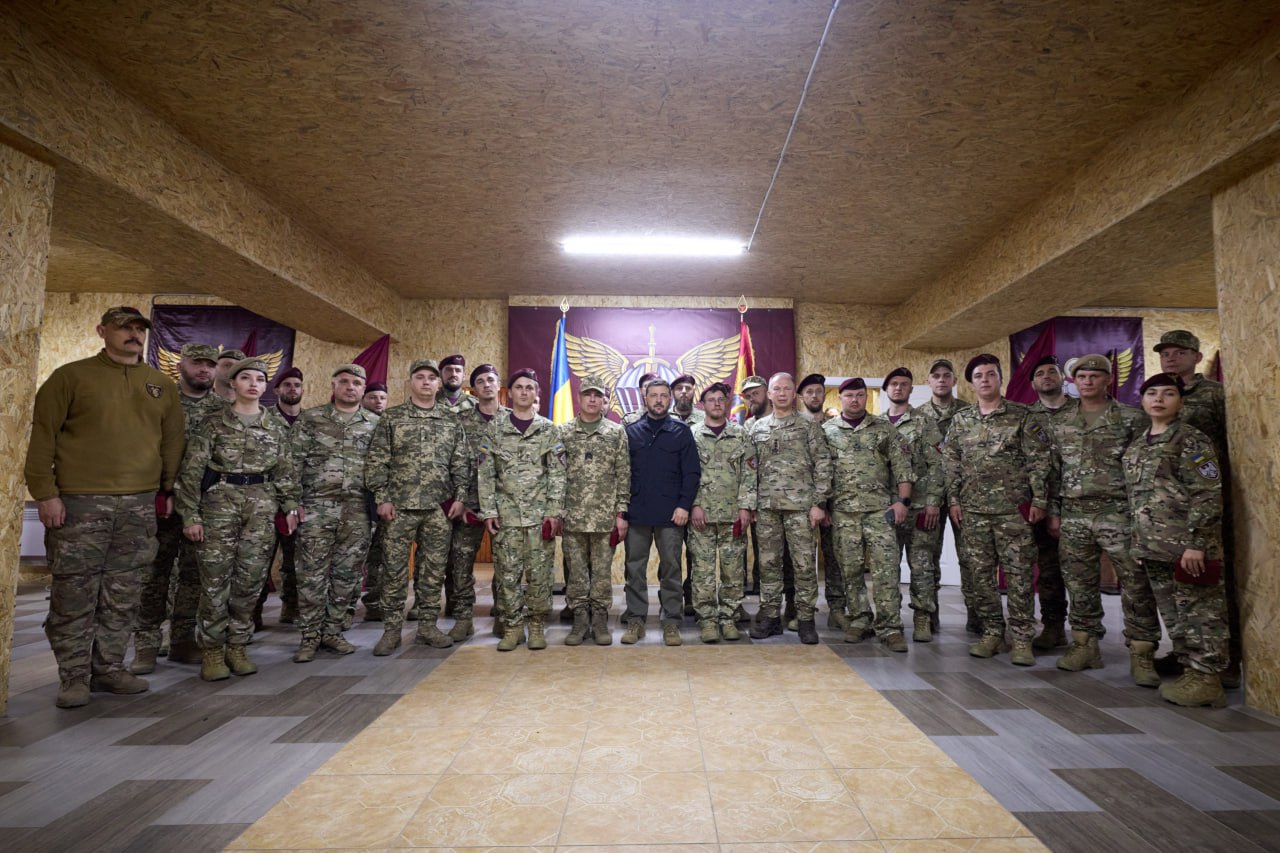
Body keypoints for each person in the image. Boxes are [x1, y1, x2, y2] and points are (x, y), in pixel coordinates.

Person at [25, 306, 185, 708]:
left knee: (124, 592)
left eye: (138, 328)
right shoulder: (70, 377)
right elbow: (42, 436)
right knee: (74, 592)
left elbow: (172, 440)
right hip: (80, 502)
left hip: (139, 504)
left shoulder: (160, 384)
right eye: (123, 328)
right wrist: (45, 493)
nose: (133, 334)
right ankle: (73, 676)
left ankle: (110, 668)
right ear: (102, 331)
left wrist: (167, 488)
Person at [176, 357, 299, 681]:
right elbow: (192, 472)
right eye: (246, 378)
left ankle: (238, 646)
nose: (253, 384)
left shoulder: (275, 426)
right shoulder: (213, 423)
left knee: (250, 582)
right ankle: (212, 651)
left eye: (259, 379)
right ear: (232, 383)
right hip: (219, 506)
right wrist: (190, 515)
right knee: (215, 582)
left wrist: (289, 507)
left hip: (260, 508)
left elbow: (285, 471)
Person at [1123, 372, 1227, 707]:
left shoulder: (1191, 440)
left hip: (1188, 547)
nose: (1158, 399)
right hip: (1154, 547)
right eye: (1151, 393)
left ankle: (1207, 678)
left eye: (1168, 393)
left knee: (1200, 612)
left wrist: (1197, 542)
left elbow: (1207, 492)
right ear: (1142, 400)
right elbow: (1137, 498)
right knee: (1174, 614)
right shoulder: (1138, 445)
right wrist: (1139, 542)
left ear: (1180, 402)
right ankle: (1188, 669)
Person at [1046, 355, 1151, 679]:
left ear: (1108, 380)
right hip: (1074, 513)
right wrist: (1054, 513)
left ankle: (1142, 653)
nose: (1088, 381)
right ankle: (1085, 645)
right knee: (1079, 584)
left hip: (1118, 512)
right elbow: (1053, 470)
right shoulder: (1061, 420)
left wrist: (1142, 518)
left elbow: (1145, 471)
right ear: (1074, 381)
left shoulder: (1132, 419)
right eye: (1082, 376)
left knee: (1135, 584)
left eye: (1095, 376)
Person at [942, 354, 1051, 666]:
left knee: (1019, 576)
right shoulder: (961, 420)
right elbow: (951, 461)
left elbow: (1039, 460)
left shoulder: (1022, 415)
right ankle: (992, 632)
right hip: (973, 511)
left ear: (1000, 378)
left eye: (991, 374)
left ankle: (1022, 638)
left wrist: (1040, 500)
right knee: (980, 577)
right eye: (979, 376)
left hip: (1013, 512)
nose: (985, 380)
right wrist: (954, 500)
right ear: (971, 383)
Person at [132, 342, 226, 674]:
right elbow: (144, 448)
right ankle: (145, 643)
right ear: (181, 364)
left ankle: (183, 639)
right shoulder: (161, 401)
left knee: (193, 575)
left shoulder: (223, 408)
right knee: (153, 573)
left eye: (210, 364)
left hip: (204, 504)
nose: (204, 369)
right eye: (198, 363)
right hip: (163, 502)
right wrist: (161, 489)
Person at [363, 358, 467, 655]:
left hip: (438, 508)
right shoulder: (392, 418)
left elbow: (460, 462)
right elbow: (377, 460)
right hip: (399, 507)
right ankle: (391, 631)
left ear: (438, 384)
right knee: (393, 571)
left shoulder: (450, 419)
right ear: (410, 382)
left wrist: (460, 497)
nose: (426, 382)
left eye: (431, 378)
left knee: (433, 571)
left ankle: (427, 627)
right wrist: (382, 497)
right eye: (419, 377)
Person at [1154, 329, 1239, 688]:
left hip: (1206, 501)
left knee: (1212, 586)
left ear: (1196, 356)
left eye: (1179, 352)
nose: (1171, 358)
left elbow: (1233, 443)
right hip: (1168, 509)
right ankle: (1186, 654)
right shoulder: (1157, 393)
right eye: (1165, 353)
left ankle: (1226, 661)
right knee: (1178, 587)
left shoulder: (1214, 394)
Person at [289, 364, 380, 662]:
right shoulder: (311, 419)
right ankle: (309, 636)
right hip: (316, 508)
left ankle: (332, 631)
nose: (350, 387)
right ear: (333, 385)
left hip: (357, 511)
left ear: (363, 388)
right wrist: (292, 503)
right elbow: (292, 463)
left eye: (356, 383)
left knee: (347, 575)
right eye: (344, 382)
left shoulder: (375, 424)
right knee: (310, 575)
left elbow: (382, 468)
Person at [478, 369, 567, 651]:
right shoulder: (495, 429)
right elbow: (486, 473)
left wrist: (553, 512)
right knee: (507, 575)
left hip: (539, 518)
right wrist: (489, 511)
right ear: (510, 393)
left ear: (536, 393)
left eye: (530, 387)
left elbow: (557, 475)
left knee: (540, 575)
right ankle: (513, 627)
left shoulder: (549, 430)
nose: (525, 392)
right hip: (506, 517)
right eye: (519, 387)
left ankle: (537, 625)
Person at [824, 377, 914, 651]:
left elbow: (902, 466)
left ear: (866, 397)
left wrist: (903, 502)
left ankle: (890, 627)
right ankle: (860, 619)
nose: (855, 400)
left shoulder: (884, 428)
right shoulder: (827, 431)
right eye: (849, 395)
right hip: (843, 513)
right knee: (850, 570)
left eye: (860, 395)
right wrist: (823, 506)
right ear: (840, 398)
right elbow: (820, 471)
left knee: (886, 570)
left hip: (879, 512)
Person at [747, 373, 831, 644]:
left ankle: (805, 619)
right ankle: (771, 616)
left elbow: (823, 463)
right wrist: (750, 504)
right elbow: (749, 469)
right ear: (769, 394)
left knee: (804, 565)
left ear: (794, 394)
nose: (782, 393)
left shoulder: (808, 426)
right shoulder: (757, 428)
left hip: (801, 508)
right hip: (767, 508)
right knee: (768, 565)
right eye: (777, 389)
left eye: (787, 389)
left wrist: (819, 503)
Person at [621, 378, 701, 645]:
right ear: (645, 398)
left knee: (671, 569)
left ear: (670, 399)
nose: (658, 400)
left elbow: (691, 473)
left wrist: (684, 505)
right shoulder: (631, 432)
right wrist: (622, 511)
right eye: (653, 395)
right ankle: (635, 619)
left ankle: (671, 622)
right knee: (634, 569)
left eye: (663, 396)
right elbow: (622, 472)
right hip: (637, 512)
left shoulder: (681, 431)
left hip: (671, 514)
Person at [559, 375, 630, 646]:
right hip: (573, 516)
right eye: (588, 394)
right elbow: (556, 475)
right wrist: (557, 512)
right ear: (579, 398)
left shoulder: (615, 432)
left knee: (601, 573)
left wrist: (621, 513)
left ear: (604, 400)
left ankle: (599, 620)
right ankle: (579, 620)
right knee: (576, 573)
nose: (592, 399)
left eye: (597, 395)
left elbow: (623, 474)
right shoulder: (564, 432)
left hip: (604, 517)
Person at [688, 382, 756, 642]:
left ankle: (728, 618)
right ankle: (707, 620)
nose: (716, 403)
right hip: (702, 515)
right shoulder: (692, 435)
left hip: (732, 515)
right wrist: (694, 504)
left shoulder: (740, 434)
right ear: (702, 404)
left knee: (733, 572)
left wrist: (745, 507)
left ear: (727, 403)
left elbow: (750, 473)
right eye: (711, 399)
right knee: (702, 573)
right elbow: (687, 474)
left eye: (721, 399)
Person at [883, 367, 945, 642]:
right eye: (894, 384)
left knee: (922, 567)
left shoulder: (924, 422)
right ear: (886, 389)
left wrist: (933, 502)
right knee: (888, 567)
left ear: (911, 389)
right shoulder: (877, 424)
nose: (898, 388)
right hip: (886, 508)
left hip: (920, 507)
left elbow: (937, 464)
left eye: (904, 384)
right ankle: (891, 619)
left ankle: (922, 618)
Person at [448, 363, 508, 641]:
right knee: (461, 563)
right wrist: (460, 499)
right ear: (473, 389)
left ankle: (504, 615)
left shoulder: (512, 419)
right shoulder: (459, 421)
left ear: (498, 385)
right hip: (469, 505)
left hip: (504, 505)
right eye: (480, 381)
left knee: (506, 563)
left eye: (491, 380)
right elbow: (452, 462)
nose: (486, 385)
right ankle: (463, 618)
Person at [914, 357, 972, 630]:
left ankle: (978, 616)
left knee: (971, 559)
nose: (941, 380)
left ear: (954, 380)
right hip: (929, 498)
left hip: (966, 495)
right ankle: (929, 616)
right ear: (928, 381)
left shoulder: (969, 413)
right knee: (927, 559)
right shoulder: (918, 416)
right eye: (935, 375)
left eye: (946, 375)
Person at [1027, 355, 1072, 650]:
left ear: (1062, 378)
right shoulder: (1027, 417)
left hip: (1081, 504)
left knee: (1081, 575)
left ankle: (1087, 637)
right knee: (1049, 570)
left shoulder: (1082, 411)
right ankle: (1053, 626)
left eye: (1052, 372)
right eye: (1040, 373)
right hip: (1041, 505)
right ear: (1033, 383)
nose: (1046, 376)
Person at [255, 365, 304, 628]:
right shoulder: (263, 418)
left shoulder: (310, 421)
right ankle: (253, 612)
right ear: (276, 390)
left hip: (299, 499)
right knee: (259, 559)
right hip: (265, 499)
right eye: (287, 385)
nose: (292, 389)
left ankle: (291, 606)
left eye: (297, 385)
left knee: (295, 558)